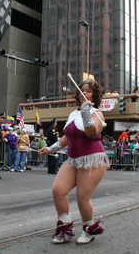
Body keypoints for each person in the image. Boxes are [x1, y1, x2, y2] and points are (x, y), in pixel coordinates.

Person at [39, 78, 108, 244]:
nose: (84, 92)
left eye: (88, 91)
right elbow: (67, 137)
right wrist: (51, 148)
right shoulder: (73, 114)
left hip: (92, 160)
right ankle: (64, 228)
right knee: (58, 190)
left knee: (82, 198)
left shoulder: (97, 113)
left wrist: (86, 112)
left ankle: (89, 228)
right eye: (82, 90)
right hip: (73, 160)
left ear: (94, 96)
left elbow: (92, 133)